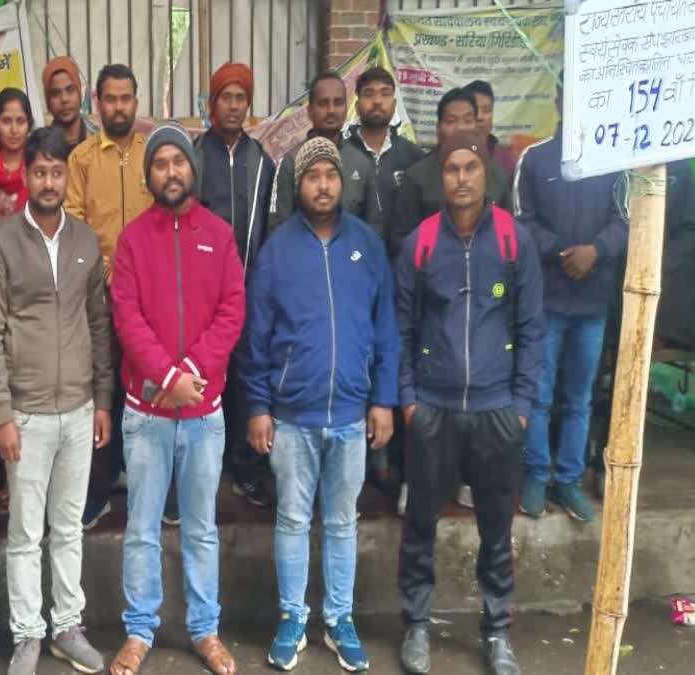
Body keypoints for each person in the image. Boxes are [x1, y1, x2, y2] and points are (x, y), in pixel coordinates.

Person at [243, 137, 399, 672]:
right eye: (313, 177)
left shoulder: (368, 246)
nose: (324, 184)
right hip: (292, 416)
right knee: (290, 519)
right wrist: (258, 406)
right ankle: (293, 618)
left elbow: (386, 329)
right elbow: (257, 338)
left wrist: (384, 399)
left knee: (341, 522)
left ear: (343, 182)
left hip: (353, 416)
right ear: (298, 186)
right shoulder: (277, 250)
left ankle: (339, 619)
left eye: (331, 175)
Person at [395, 130, 543, 675]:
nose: (461, 178)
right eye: (451, 168)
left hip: (496, 410)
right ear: (441, 177)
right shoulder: (421, 243)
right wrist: (409, 399)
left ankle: (498, 629)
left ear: (487, 175)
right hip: (432, 408)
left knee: (497, 529)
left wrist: (521, 402)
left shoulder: (513, 240)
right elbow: (401, 329)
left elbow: (531, 327)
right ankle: (415, 625)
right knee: (420, 527)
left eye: (470, 168)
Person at [0, 127, 114, 675]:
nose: (50, 181)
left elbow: (99, 326)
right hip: (26, 413)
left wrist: (102, 399)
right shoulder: (2, 243)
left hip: (79, 409)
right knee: (25, 532)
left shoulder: (83, 241)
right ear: (25, 176)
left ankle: (67, 627)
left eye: (58, 171)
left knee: (69, 526)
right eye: (40, 172)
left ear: (66, 176)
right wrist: (2, 414)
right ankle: (28, 633)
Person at [108, 121, 245, 675]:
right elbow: (127, 316)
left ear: (193, 169)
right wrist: (168, 376)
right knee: (141, 529)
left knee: (200, 528)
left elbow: (232, 309)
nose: (171, 171)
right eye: (160, 164)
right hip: (147, 415)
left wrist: (192, 371)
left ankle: (205, 630)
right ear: (151, 176)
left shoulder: (219, 234)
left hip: (203, 414)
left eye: (178, 162)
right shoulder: (132, 239)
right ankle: (139, 631)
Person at [515, 83, 627, 522]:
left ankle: (569, 479)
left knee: (580, 397)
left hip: (593, 301)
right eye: (571, 94)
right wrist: (563, 250)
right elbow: (523, 221)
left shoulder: (613, 159)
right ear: (559, 99)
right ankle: (537, 476)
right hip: (547, 296)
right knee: (539, 395)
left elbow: (627, 218)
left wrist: (596, 251)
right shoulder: (537, 157)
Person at [65, 63, 153, 529]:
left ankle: (149, 489)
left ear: (136, 102)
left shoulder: (151, 153)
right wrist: (108, 278)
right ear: (97, 103)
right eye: (110, 99)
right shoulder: (80, 158)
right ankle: (97, 490)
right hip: (97, 298)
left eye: (126, 98)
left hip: (149, 300)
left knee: (146, 392)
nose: (119, 107)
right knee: (102, 391)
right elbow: (75, 226)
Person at [192, 61, 277, 509]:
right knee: (204, 380)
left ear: (248, 104)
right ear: (210, 104)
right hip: (201, 297)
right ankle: (206, 468)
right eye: (225, 96)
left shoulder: (261, 161)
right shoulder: (192, 156)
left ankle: (245, 468)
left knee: (245, 380)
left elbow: (267, 225)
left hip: (247, 292)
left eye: (240, 97)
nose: (232, 105)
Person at [392, 88, 513, 257]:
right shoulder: (416, 177)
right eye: (451, 121)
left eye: (467, 120)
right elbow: (401, 240)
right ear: (438, 127)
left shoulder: (497, 174)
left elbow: (509, 234)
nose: (460, 128)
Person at [271, 71, 378, 230]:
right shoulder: (291, 161)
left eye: (338, 102)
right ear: (309, 111)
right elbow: (278, 226)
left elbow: (373, 227)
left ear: (346, 108)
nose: (331, 110)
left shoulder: (363, 162)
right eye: (323, 103)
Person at [343, 66, 425, 251]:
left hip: (401, 262)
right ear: (357, 106)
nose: (377, 101)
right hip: (352, 258)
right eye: (369, 94)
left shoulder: (413, 157)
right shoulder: (341, 154)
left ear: (394, 104)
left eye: (385, 93)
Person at [0, 88, 33, 223]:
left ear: (29, 125)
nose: (14, 130)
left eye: (20, 121)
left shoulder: (39, 168)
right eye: (6, 121)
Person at [43, 55, 98, 158]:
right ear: (48, 101)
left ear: (79, 93)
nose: (64, 99)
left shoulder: (100, 140)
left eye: (70, 90)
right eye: (55, 93)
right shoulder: (39, 147)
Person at [463, 80, 518, 180]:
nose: (480, 117)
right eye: (474, 109)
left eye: (487, 110)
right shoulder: (442, 158)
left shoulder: (505, 161)